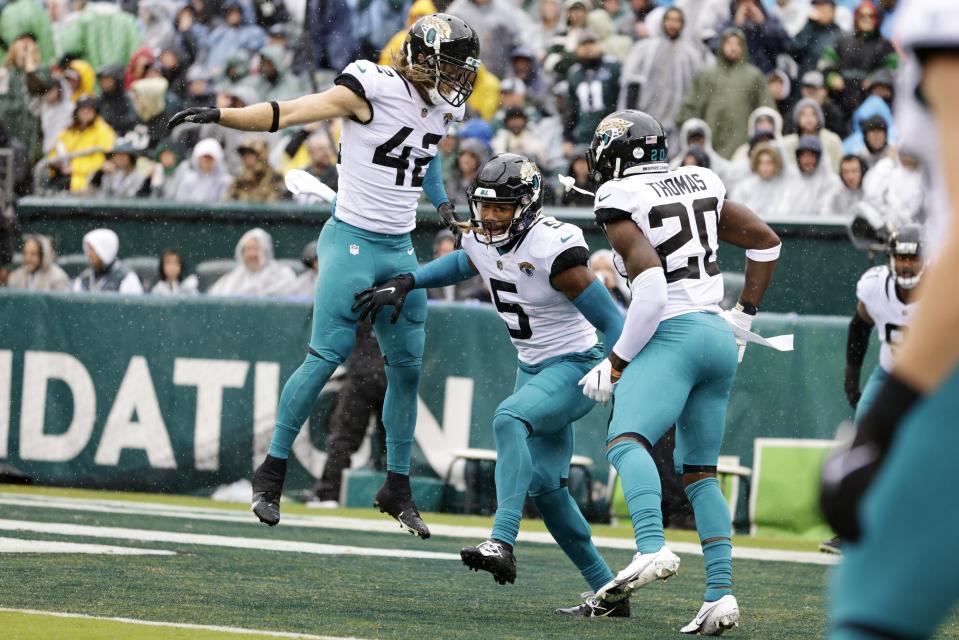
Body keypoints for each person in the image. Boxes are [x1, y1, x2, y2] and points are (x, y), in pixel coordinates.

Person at [167, 13, 480, 538]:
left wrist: (444, 206)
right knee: (325, 356)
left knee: (405, 369)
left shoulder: (443, 103)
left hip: (400, 247)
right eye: (452, 64)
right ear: (422, 58)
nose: (459, 77)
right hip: (353, 242)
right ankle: (271, 472)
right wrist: (220, 116)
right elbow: (287, 112)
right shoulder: (370, 86)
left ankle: (396, 487)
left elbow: (423, 151)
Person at [354, 153, 631, 615]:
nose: (490, 216)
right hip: (534, 366)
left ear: (526, 205)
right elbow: (465, 263)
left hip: (576, 364)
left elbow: (613, 323)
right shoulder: (485, 238)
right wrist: (411, 280)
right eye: (485, 206)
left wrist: (616, 371)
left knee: (509, 418)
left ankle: (502, 541)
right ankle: (609, 593)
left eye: (502, 207)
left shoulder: (554, 251)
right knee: (548, 490)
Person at [579, 110, 780, 634]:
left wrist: (616, 362)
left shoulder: (617, 197)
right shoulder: (701, 179)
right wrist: (742, 316)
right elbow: (766, 241)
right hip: (716, 333)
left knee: (625, 441)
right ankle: (720, 594)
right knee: (700, 474)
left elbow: (650, 290)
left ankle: (651, 547)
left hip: (673, 333)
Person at [821, 4, 959, 635]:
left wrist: (881, 423)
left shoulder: (937, 24)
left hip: (939, 373)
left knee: (873, 606)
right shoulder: (878, 285)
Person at [822, 223, 922, 555]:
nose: (906, 264)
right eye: (901, 257)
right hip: (890, 375)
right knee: (862, 445)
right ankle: (853, 528)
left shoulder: (943, 288)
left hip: (934, 382)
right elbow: (860, 326)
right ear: (891, 258)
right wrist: (852, 375)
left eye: (914, 258)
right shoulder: (876, 286)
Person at [301, 316, 387, 508]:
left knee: (343, 438)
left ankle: (329, 492)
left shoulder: (362, 295)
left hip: (364, 376)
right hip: (389, 374)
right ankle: (396, 496)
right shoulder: (403, 295)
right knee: (394, 443)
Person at [677, 27, 775, 158]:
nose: (733, 48)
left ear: (743, 47)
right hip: (710, 142)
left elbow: (766, 108)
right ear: (722, 46)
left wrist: (763, 127)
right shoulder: (706, 75)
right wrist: (693, 131)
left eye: (737, 44)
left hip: (743, 145)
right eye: (729, 43)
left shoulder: (754, 75)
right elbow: (690, 107)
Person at [618, 7, 706, 145]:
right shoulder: (644, 49)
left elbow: (697, 89)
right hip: (645, 119)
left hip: (676, 122)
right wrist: (631, 117)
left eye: (677, 20)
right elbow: (632, 82)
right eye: (669, 19)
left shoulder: (691, 55)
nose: (672, 24)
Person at [208, 228, 297, 297]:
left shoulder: (282, 274)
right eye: (248, 249)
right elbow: (215, 298)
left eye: (256, 249)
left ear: (265, 251)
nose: (252, 254)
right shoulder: (234, 277)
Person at [71, 228, 144, 294]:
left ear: (104, 250)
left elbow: (132, 307)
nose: (89, 253)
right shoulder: (84, 278)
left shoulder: (127, 278)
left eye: (92, 249)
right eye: (88, 249)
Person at [172, 137, 232, 203]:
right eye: (204, 158)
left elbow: (224, 204)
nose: (206, 161)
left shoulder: (225, 181)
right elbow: (181, 202)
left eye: (210, 158)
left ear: (217, 160)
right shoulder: (189, 179)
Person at [225, 138, 285, 203]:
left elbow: (273, 206)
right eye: (243, 154)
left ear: (260, 155)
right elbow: (225, 203)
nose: (245, 157)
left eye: (250, 154)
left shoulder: (275, 177)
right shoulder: (240, 179)